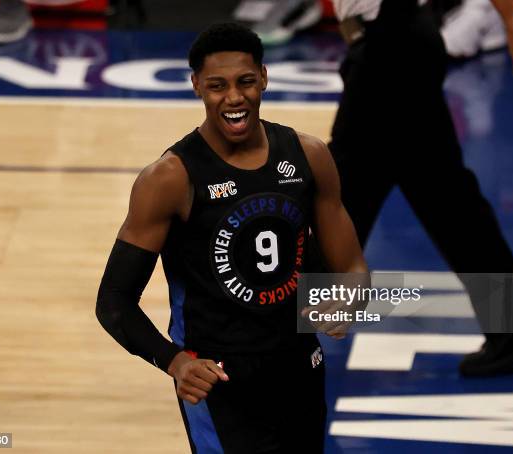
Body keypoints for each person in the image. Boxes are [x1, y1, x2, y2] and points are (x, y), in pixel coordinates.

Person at [96, 22, 367, 454]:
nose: (234, 98)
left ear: (263, 77)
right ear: (197, 86)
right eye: (217, 86)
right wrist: (174, 361)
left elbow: (352, 268)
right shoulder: (169, 179)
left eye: (245, 82)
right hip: (219, 378)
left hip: (299, 364)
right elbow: (113, 300)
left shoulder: (309, 155)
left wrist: (348, 297)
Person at [329, 0, 513, 377]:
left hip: (391, 49)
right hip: (397, 43)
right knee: (445, 198)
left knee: (340, 196)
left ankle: (279, 335)